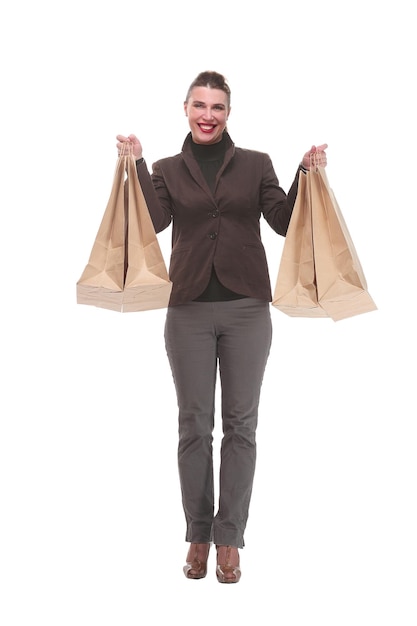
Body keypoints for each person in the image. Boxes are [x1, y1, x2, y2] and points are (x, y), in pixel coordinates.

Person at [117, 70, 327, 584]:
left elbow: (282, 220)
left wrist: (304, 173)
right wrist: (138, 163)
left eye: (218, 107)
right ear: (185, 109)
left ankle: (229, 539)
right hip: (186, 308)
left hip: (246, 310)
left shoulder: (256, 164)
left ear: (228, 113)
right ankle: (198, 534)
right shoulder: (166, 167)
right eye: (199, 106)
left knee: (241, 427)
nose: (208, 115)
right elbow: (155, 221)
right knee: (194, 426)